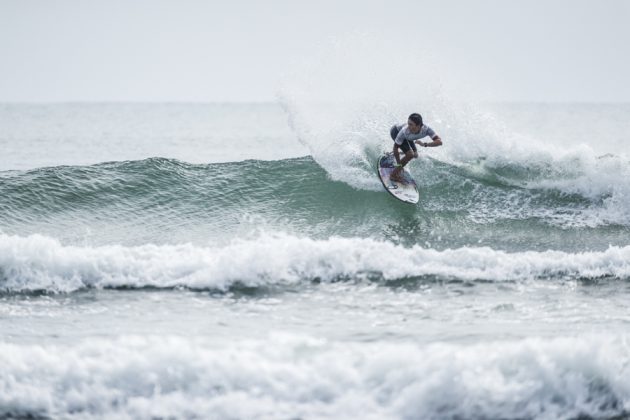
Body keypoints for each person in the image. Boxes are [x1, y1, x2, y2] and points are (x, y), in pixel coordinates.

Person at [389, 113, 442, 182]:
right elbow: (395, 147)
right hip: (395, 131)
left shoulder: (426, 129)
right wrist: (399, 165)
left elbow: (439, 142)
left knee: (415, 155)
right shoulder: (405, 131)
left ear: (419, 126)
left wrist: (424, 144)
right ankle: (393, 175)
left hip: (409, 137)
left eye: (411, 124)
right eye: (408, 124)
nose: (408, 126)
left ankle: (397, 154)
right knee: (410, 154)